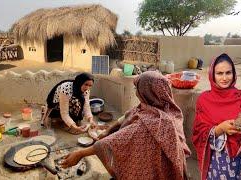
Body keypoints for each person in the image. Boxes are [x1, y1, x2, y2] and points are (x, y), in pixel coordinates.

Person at [61, 71, 191, 180]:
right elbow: (130, 114)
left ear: (147, 92)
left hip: (156, 171)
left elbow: (107, 144)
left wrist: (79, 154)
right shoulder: (169, 109)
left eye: (137, 88)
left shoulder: (151, 124)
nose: (136, 91)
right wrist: (109, 130)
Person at [192, 53, 241, 180]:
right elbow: (198, 133)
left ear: (234, 74)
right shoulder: (204, 100)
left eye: (228, 73)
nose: (224, 78)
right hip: (218, 161)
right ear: (212, 75)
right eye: (219, 73)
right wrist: (220, 128)